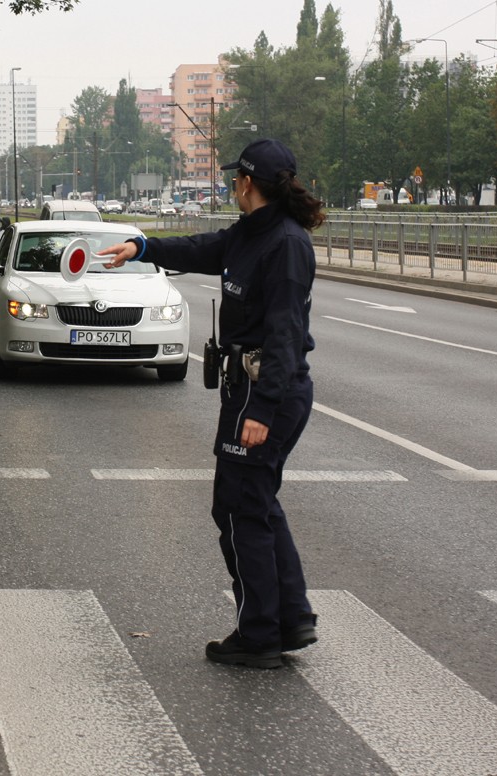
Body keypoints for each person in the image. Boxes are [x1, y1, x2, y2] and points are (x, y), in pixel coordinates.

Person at [100, 139, 324, 669]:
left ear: (247, 183)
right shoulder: (252, 232)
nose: (230, 186)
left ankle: (259, 633)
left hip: (265, 390)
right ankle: (290, 616)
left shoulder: (286, 245)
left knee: (239, 506)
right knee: (256, 501)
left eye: (233, 179)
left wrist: (261, 412)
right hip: (248, 386)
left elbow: (286, 335)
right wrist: (142, 247)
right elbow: (201, 248)